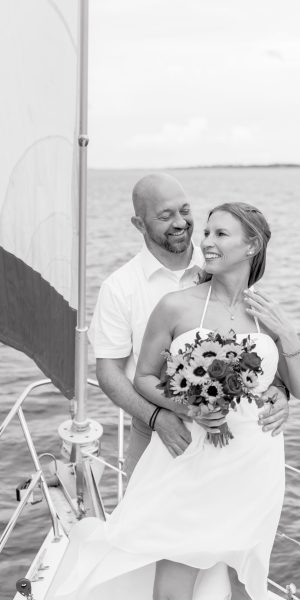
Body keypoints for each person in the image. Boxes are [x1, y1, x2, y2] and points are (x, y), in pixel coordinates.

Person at [48, 201, 299, 600]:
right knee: (175, 569)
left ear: (252, 246)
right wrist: (188, 407)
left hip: (254, 460)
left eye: (220, 234)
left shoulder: (267, 313)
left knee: (241, 576)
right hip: (191, 453)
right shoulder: (177, 305)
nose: (207, 242)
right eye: (208, 233)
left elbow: (292, 385)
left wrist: (288, 337)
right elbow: (144, 377)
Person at [88, 173, 288, 482]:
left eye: (185, 210)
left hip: (239, 447)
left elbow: (259, 351)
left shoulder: (224, 263)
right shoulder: (120, 287)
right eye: (166, 216)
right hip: (156, 429)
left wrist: (280, 392)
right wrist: (159, 417)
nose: (181, 223)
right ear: (140, 225)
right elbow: (109, 373)